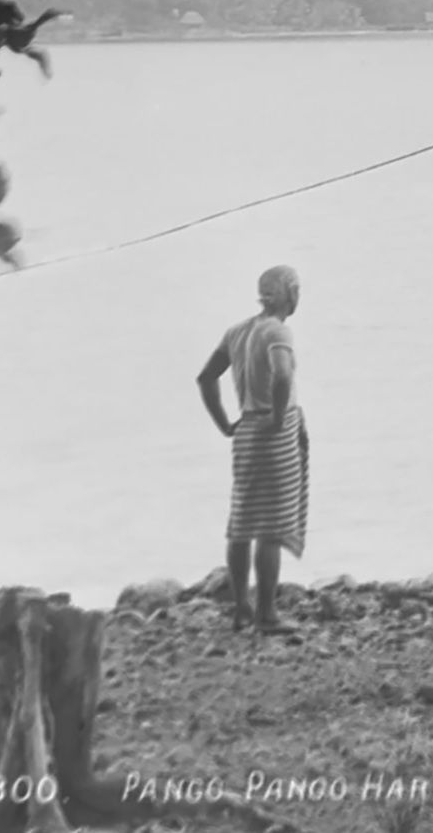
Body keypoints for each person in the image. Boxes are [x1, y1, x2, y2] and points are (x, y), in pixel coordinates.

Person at [196, 264, 309, 634]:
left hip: (245, 431)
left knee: (242, 522)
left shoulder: (238, 332)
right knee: (272, 527)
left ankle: (241, 609)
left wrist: (225, 423)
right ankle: (267, 614)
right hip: (271, 432)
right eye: (296, 290)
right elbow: (282, 374)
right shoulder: (277, 332)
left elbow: (206, 377)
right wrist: (278, 419)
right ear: (289, 293)